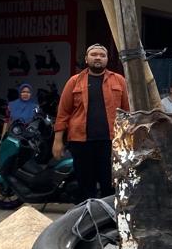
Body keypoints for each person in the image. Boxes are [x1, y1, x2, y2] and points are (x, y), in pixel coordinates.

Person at [53, 44, 130, 201]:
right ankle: (86, 214)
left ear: (107, 59)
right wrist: (57, 141)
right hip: (81, 143)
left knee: (110, 184)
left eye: (102, 55)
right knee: (85, 185)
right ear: (86, 59)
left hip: (111, 142)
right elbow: (63, 113)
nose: (98, 57)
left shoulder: (119, 80)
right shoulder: (74, 81)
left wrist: (128, 140)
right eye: (94, 54)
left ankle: (107, 215)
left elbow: (128, 112)